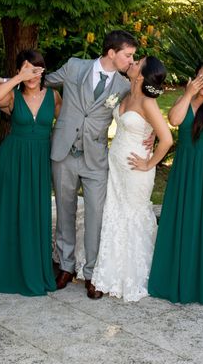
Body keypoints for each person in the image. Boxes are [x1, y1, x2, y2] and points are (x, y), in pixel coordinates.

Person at [46, 30, 137, 299]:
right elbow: (42, 81)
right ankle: (65, 266)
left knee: (96, 215)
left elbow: (139, 106)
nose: (132, 61)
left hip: (96, 158)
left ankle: (93, 273)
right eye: (128, 55)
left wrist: (151, 131)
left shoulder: (123, 86)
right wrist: (8, 80)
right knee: (65, 210)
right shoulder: (75, 67)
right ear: (112, 53)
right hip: (64, 151)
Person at [91, 56, 172, 302]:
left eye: (138, 63)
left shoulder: (148, 102)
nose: (133, 62)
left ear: (141, 75)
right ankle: (106, 276)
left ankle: (131, 277)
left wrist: (148, 163)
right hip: (115, 168)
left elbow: (167, 139)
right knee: (113, 215)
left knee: (132, 217)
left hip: (136, 171)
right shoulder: (126, 94)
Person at [148, 60, 203, 305]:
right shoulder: (187, 98)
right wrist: (187, 93)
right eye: (200, 78)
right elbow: (174, 119)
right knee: (181, 221)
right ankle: (176, 279)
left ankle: (202, 285)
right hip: (184, 168)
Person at [0, 49, 62, 295]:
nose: (31, 74)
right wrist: (18, 78)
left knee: (35, 213)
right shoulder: (12, 97)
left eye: (35, 69)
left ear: (43, 70)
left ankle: (34, 270)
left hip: (39, 161)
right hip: (11, 161)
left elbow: (68, 125)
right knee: (10, 213)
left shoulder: (53, 97)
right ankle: (7, 272)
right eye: (26, 68)